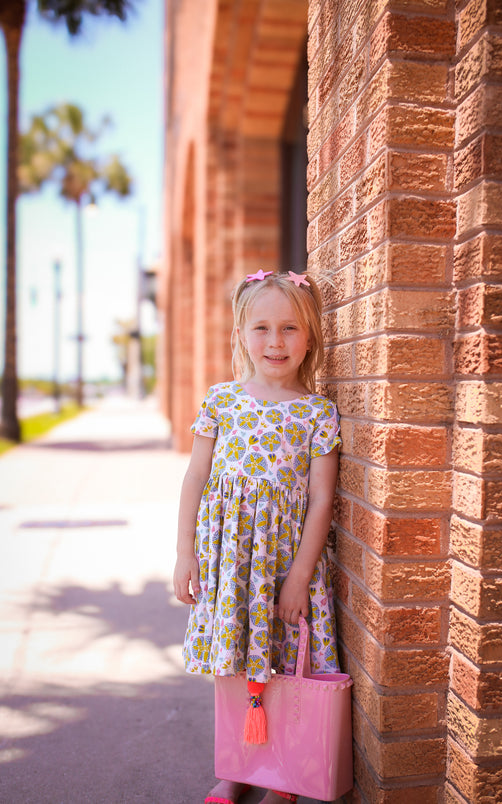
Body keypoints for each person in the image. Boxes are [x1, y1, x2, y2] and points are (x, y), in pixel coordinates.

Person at [173, 270, 342, 804]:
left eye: (290, 328)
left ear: (310, 335)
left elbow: (321, 501)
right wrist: (184, 554)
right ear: (241, 334)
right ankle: (237, 769)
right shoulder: (221, 402)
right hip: (231, 565)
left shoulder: (316, 412)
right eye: (262, 327)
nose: (276, 341)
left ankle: (285, 776)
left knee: (287, 664)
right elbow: (195, 478)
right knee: (234, 666)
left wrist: (298, 577)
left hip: (286, 565)